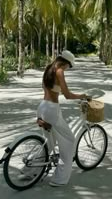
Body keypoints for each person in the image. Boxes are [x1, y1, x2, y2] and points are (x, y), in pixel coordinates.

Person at [37, 50, 87, 187]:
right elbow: (67, 95)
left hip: (42, 107)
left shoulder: (48, 68)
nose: (68, 69)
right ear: (66, 63)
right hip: (52, 110)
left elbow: (48, 88)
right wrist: (82, 95)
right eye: (69, 66)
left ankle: (31, 171)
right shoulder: (59, 71)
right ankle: (59, 180)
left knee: (49, 143)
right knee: (69, 142)